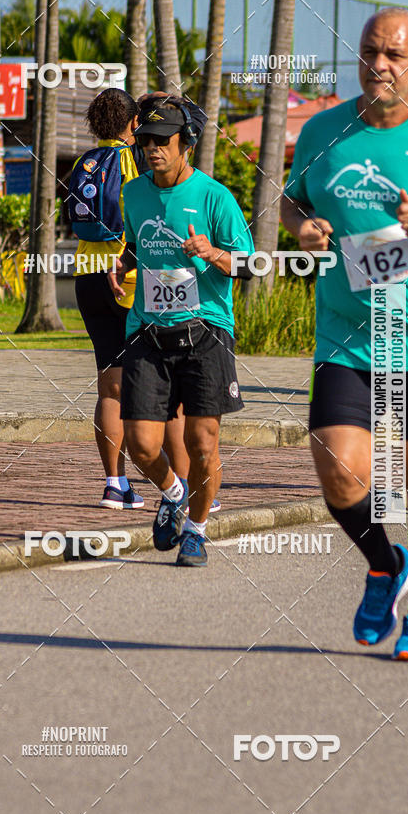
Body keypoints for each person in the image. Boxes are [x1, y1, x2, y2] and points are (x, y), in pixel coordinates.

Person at [281, 7, 408, 661]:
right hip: (348, 330)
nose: (380, 65)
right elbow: (293, 199)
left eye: (395, 55)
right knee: (338, 470)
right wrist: (301, 228)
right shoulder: (324, 131)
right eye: (371, 52)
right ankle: (383, 564)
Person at [109, 96, 254, 567]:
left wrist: (212, 253)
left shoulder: (215, 197)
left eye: (162, 140)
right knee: (141, 444)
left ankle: (196, 529)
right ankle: (174, 492)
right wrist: (123, 264)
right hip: (147, 331)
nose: (151, 149)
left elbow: (253, 264)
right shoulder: (134, 194)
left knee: (202, 443)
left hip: (206, 331)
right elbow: (137, 241)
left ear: (186, 143)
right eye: (145, 141)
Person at [73, 88, 219, 512]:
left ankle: (115, 484)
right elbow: (190, 135)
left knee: (110, 387)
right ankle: (188, 491)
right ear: (135, 124)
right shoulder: (136, 156)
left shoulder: (85, 161)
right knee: (167, 387)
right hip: (133, 277)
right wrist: (172, 102)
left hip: (88, 277)